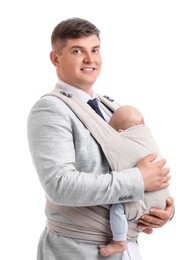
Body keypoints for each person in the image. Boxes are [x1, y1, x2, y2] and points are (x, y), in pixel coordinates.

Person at [27, 17, 175, 260]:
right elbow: (59, 185)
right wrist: (138, 180)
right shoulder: (51, 109)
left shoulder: (111, 106)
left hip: (128, 247)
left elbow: (142, 163)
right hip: (78, 250)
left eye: (94, 50)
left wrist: (164, 210)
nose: (90, 59)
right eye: (77, 51)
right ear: (55, 58)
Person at [99, 105, 170, 257]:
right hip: (163, 199)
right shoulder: (147, 139)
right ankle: (144, 226)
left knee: (118, 208)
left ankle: (119, 241)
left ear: (119, 132)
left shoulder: (120, 140)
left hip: (141, 199)